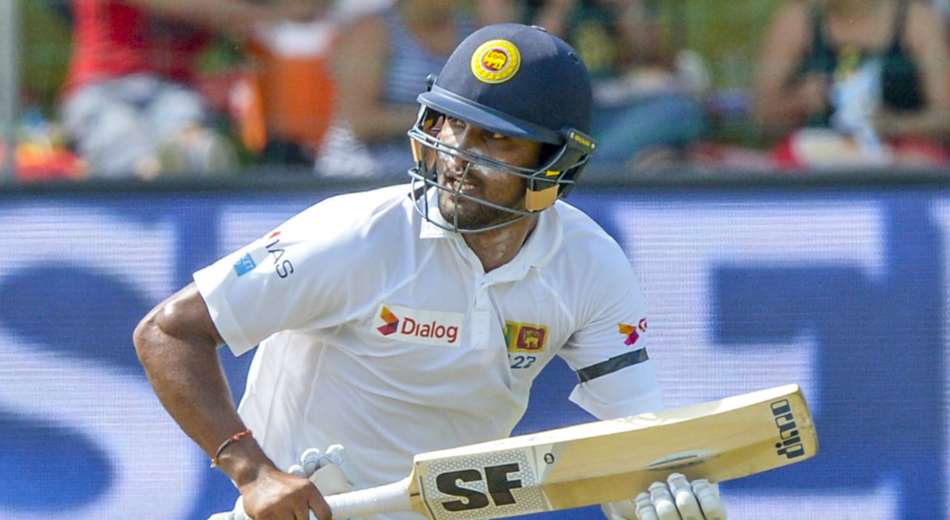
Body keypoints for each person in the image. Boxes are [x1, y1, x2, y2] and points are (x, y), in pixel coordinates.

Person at [134, 23, 727, 520]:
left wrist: (651, 499)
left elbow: (635, 436)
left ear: (554, 163)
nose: (458, 157)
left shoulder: (589, 263)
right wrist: (253, 472)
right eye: (452, 125)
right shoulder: (356, 236)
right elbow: (167, 332)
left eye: (496, 139)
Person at [61, 0, 327, 178]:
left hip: (175, 92)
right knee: (120, 137)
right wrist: (273, 15)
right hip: (104, 90)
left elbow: (307, 10)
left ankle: (176, 160)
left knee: (187, 130)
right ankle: (155, 169)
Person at [314, 0, 513, 177]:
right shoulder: (372, 31)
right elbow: (360, 122)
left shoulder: (472, 32)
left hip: (439, 172)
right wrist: (440, 119)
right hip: (359, 173)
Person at [755, 0, 950, 168]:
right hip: (815, 156)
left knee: (917, 163)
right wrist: (800, 99)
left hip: (899, 158)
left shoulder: (917, 20)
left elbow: (944, 117)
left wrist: (894, 125)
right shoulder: (798, 19)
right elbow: (761, 115)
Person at [523, 0, 709, 169]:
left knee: (680, 110)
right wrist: (558, 8)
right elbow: (533, 62)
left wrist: (626, 8)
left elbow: (649, 54)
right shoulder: (530, 7)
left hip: (616, 107)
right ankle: (597, 167)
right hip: (560, 112)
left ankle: (592, 166)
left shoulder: (609, 9)